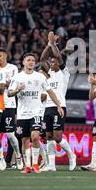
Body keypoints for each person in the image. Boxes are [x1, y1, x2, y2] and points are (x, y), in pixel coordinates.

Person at [8, 53, 64, 174]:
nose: (31, 62)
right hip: (22, 114)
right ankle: (27, 166)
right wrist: (18, 89)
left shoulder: (40, 77)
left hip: (36, 112)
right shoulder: (17, 77)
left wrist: (59, 106)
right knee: (24, 141)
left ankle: (35, 164)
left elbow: (50, 92)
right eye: (28, 60)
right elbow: (9, 93)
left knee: (34, 137)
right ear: (23, 62)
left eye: (33, 60)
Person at [40, 32, 76, 172]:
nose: (51, 63)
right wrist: (48, 45)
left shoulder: (64, 72)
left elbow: (59, 57)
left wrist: (53, 44)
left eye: (54, 61)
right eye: (51, 61)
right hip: (47, 108)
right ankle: (51, 165)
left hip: (59, 107)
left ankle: (71, 155)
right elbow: (43, 58)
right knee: (48, 136)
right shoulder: (48, 75)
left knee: (57, 136)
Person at [0, 48, 23, 169]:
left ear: (5, 56)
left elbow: (14, 85)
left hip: (9, 104)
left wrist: (1, 83)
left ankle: (16, 157)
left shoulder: (13, 68)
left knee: (10, 134)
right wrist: (5, 83)